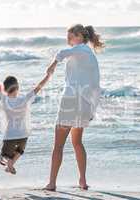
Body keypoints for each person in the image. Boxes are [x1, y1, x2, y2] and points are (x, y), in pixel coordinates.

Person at [44, 24, 104, 191]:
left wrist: (52, 65)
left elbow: (62, 53)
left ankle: (51, 183)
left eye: (69, 37)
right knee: (77, 142)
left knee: (58, 145)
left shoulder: (80, 49)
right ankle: (82, 181)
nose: (67, 40)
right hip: (84, 104)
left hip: (71, 101)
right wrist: (92, 109)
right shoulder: (90, 55)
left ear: (79, 36)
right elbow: (95, 86)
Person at [0, 61, 56, 174]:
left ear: (4, 89)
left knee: (3, 156)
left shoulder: (4, 100)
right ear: (17, 88)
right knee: (20, 150)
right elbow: (39, 87)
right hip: (23, 135)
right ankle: (11, 163)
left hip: (10, 135)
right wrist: (48, 75)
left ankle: (8, 162)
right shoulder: (25, 99)